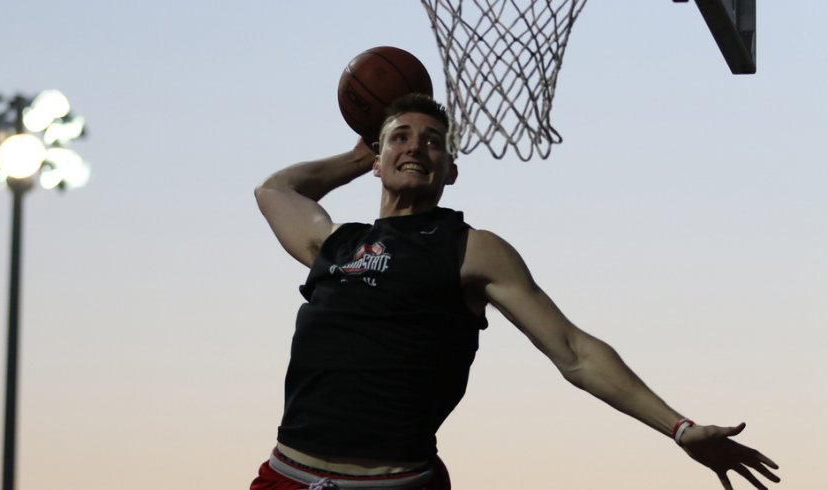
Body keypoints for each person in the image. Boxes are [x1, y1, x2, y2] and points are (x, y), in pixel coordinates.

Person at [250, 93, 780, 490]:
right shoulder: (335, 244)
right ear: (377, 160)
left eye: (433, 141)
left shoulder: (471, 249)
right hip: (287, 475)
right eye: (401, 137)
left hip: (396, 483)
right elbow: (275, 190)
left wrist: (679, 427)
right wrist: (361, 149)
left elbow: (574, 352)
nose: (416, 146)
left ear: (450, 170)